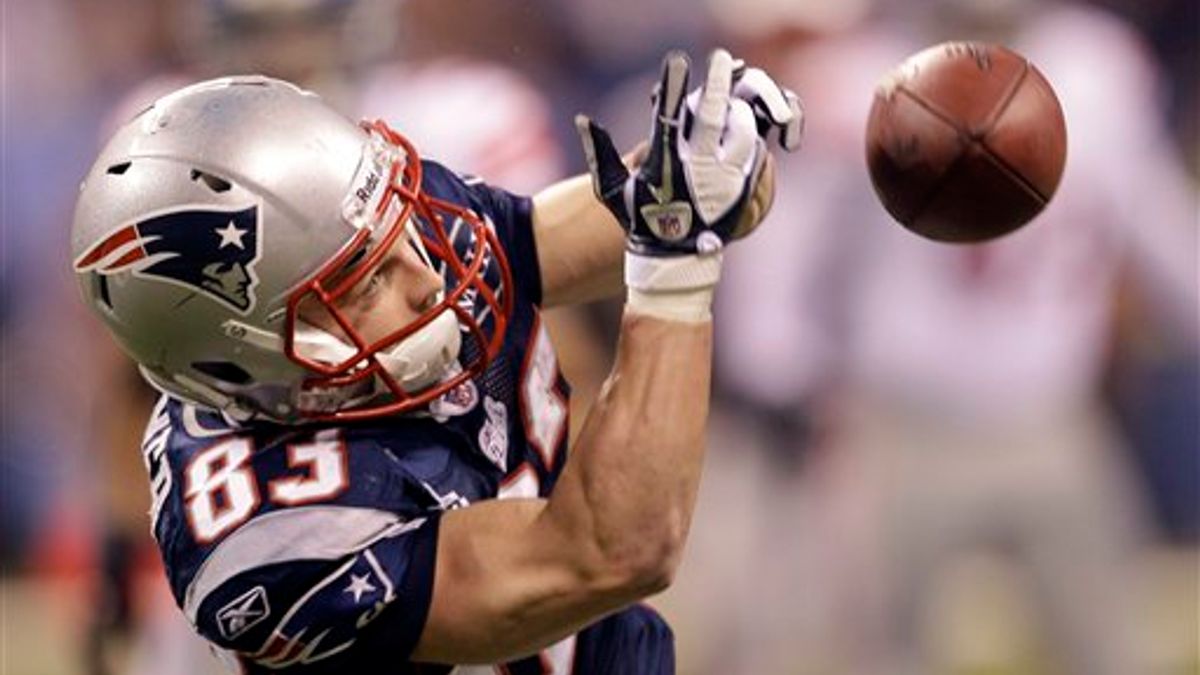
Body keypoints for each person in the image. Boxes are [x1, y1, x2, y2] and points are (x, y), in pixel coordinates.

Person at [69, 48, 801, 673]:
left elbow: (602, 225)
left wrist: (712, 167)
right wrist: (676, 263)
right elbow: (611, 550)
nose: (427, 277)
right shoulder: (265, 531)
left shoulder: (390, 230)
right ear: (241, 364)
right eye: (365, 282)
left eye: (399, 230)